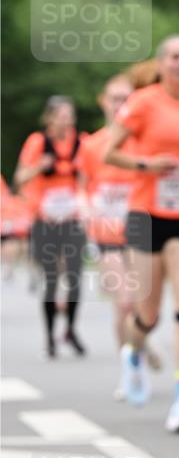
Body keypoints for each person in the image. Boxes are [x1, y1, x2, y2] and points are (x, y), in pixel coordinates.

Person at [104, 35, 179, 433]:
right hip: (147, 213)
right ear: (162, 62)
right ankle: (132, 353)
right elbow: (110, 153)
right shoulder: (144, 102)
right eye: (175, 57)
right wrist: (148, 163)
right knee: (148, 314)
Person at [76, 74, 161, 388]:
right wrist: (84, 205)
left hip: (141, 231)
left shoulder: (143, 142)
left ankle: (140, 340)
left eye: (126, 99)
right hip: (106, 233)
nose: (120, 105)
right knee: (124, 301)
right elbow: (82, 186)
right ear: (104, 102)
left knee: (145, 305)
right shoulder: (92, 145)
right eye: (114, 98)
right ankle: (130, 371)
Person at [14, 96, 87, 358]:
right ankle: (50, 337)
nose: (67, 121)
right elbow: (19, 178)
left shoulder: (81, 143)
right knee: (52, 280)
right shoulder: (37, 142)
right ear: (50, 118)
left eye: (71, 116)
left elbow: (88, 178)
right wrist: (38, 167)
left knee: (75, 278)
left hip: (71, 218)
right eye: (62, 116)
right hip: (45, 219)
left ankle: (70, 328)